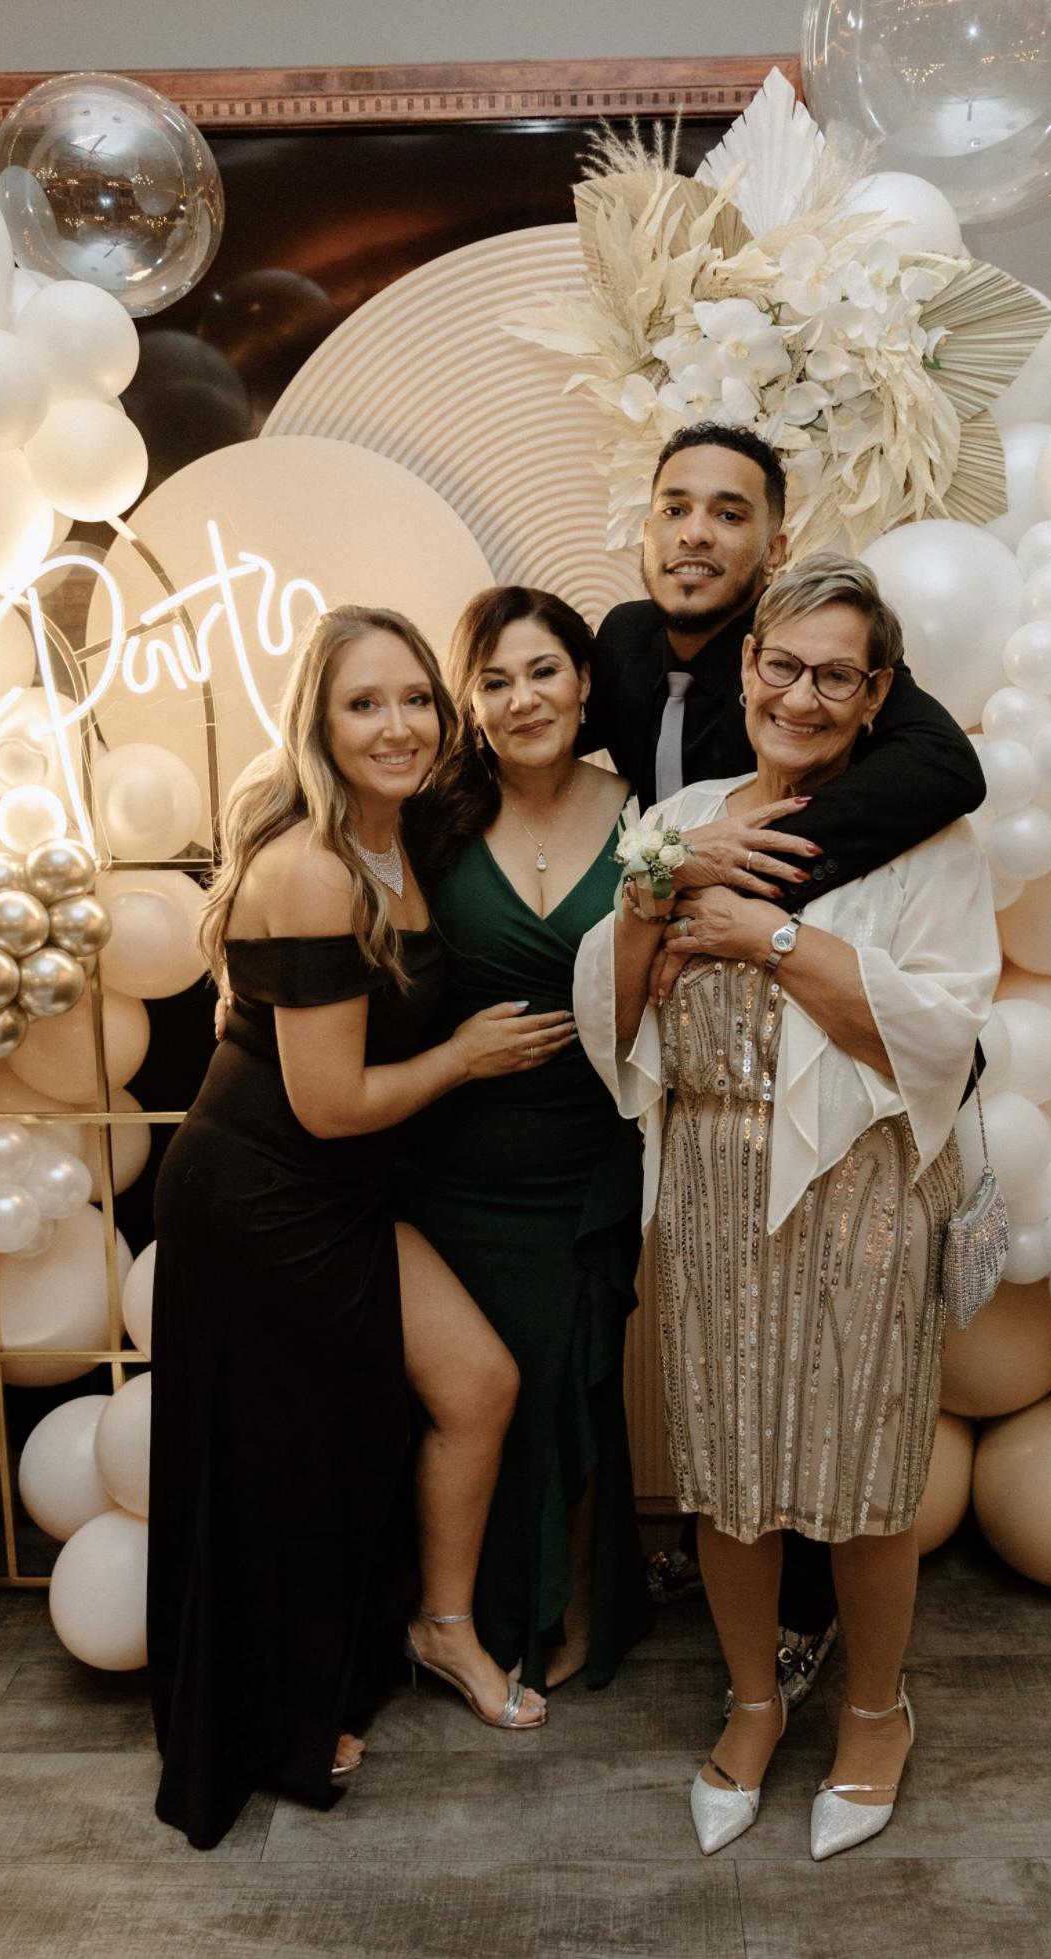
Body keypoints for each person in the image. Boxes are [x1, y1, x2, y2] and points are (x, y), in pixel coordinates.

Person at [575, 555, 1000, 1859]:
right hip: (709, 1176)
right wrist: (653, 896)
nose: (801, 696)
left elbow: (940, 1028)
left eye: (836, 675)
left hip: (865, 1183)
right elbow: (613, 1015)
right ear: (749, 663)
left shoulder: (928, 841)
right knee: (728, 1476)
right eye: (782, 665)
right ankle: (755, 1700)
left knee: (865, 1475)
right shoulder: (685, 816)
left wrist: (767, 935)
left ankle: (876, 1711)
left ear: (878, 693)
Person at [149, 604, 569, 1850]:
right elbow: (329, 1104)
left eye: (415, 700)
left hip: (335, 1189)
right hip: (262, 1196)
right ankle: (283, 1708)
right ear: (319, 727)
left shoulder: (404, 839)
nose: (398, 726)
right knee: (301, 1458)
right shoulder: (315, 868)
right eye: (364, 704)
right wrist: (466, 1058)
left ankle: (441, 1627)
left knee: (477, 1385)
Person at [404, 586, 654, 1693]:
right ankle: (470, 1613)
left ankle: (581, 1600)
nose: (522, 699)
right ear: (469, 701)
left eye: (543, 671)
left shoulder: (651, 813)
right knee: (472, 1399)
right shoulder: (431, 819)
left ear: (584, 681)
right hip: (452, 1165)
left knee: (576, 1384)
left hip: (592, 1158)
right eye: (494, 681)